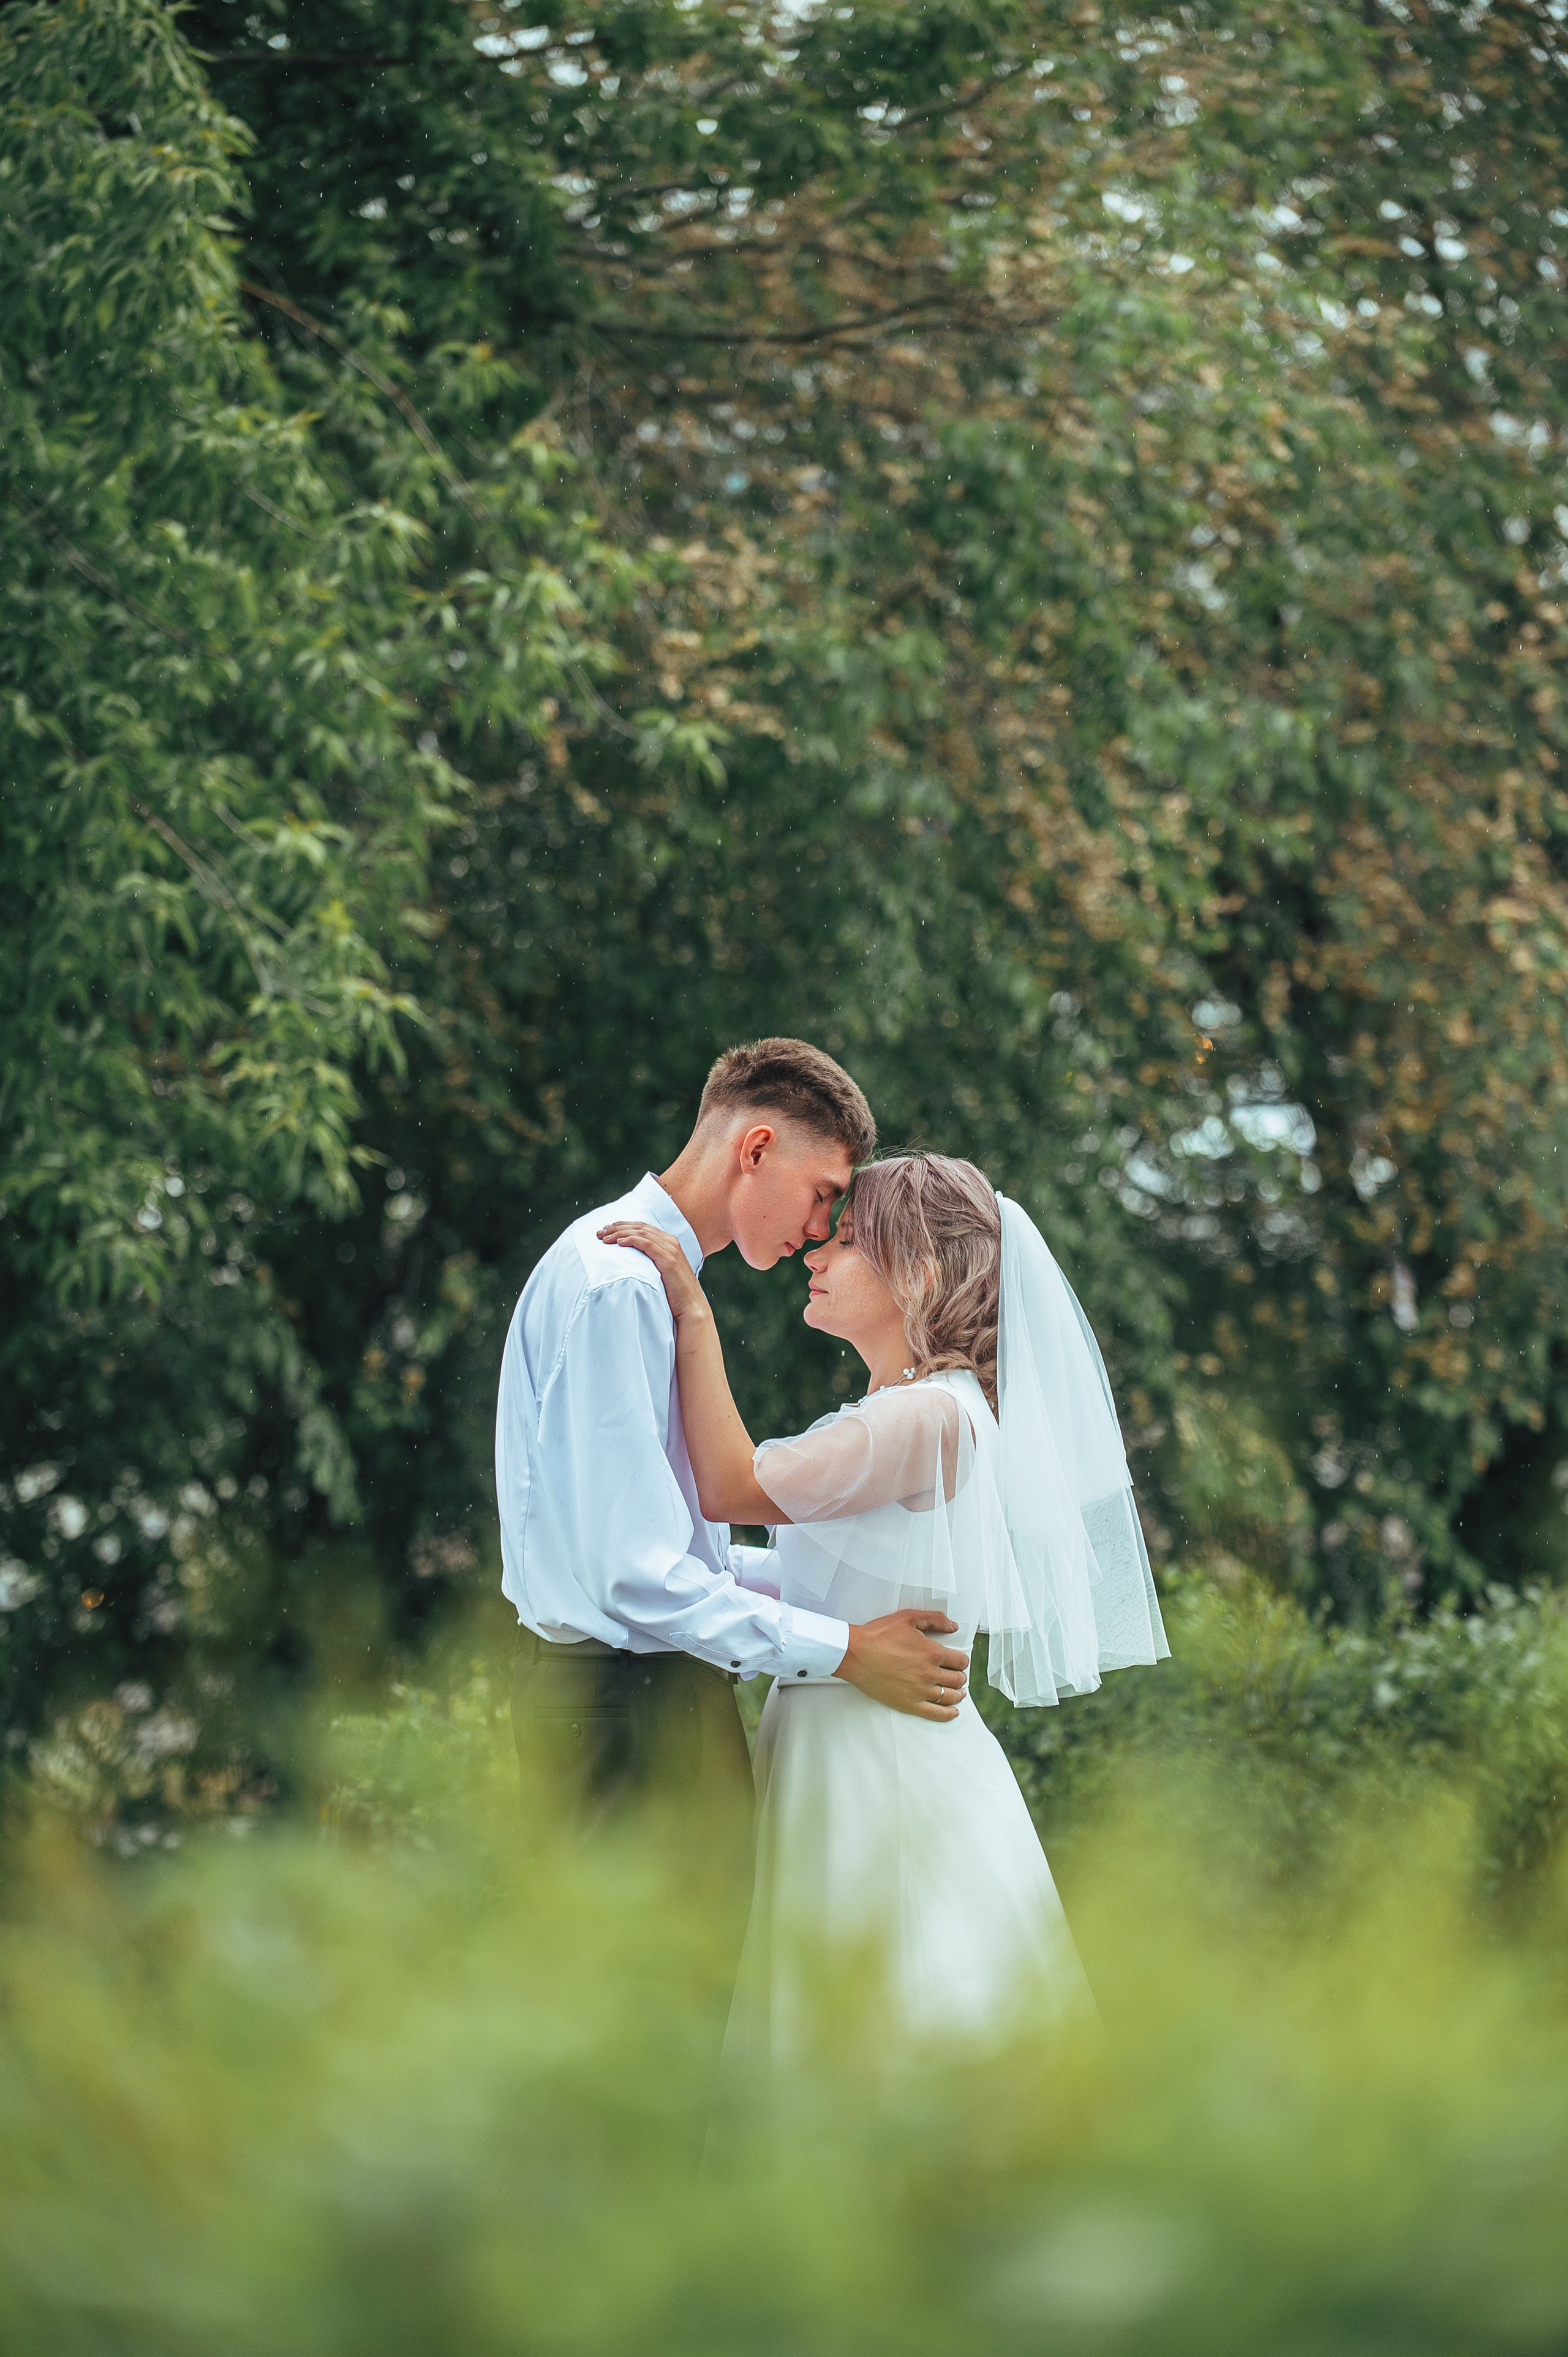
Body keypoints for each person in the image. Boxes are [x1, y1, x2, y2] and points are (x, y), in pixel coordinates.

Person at [599, 1152, 1170, 2053]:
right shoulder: (915, 1408)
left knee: (884, 2030)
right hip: (847, 1741)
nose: (814, 1255)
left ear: (922, 1273)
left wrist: (694, 1316)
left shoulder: (924, 1417)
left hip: (877, 1762)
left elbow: (733, 1487)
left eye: (848, 1242)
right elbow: (813, 1584)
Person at [495, 1041, 973, 1852]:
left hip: (634, 1698)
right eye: (823, 1194)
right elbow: (635, 1574)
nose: (818, 1230)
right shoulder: (623, 1287)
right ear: (756, 1150)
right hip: (631, 1713)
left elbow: (678, 1548)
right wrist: (849, 1650)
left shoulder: (630, 1274)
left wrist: (853, 1591)